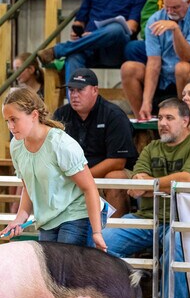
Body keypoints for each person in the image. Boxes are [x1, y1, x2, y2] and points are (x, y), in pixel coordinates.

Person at [0, 86, 107, 298]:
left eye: (15, 120)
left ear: (34, 115)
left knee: (66, 284)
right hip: (49, 218)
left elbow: (89, 188)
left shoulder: (60, 143)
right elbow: (28, 184)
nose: (11, 127)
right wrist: (20, 217)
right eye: (7, 121)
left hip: (78, 214)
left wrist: (96, 231)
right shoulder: (17, 145)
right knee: (50, 285)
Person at [101, 98, 190, 298]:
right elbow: (137, 183)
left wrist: (151, 185)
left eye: (169, 118)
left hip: (182, 220)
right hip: (146, 218)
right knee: (104, 241)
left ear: (185, 121)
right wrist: (154, 184)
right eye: (160, 118)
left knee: (173, 249)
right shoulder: (151, 147)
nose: (162, 123)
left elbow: (188, 180)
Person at [121, 0, 190, 120]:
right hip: (163, 75)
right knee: (128, 68)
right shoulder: (155, 20)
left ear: (188, 2)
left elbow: (187, 56)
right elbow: (153, 62)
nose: (170, 12)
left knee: (182, 68)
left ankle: (184, 120)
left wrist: (175, 29)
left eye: (176, 7)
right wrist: (147, 102)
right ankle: (143, 121)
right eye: (167, 7)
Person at [53, 68, 137, 217]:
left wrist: (82, 178)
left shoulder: (114, 115)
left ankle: (113, 233)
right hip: (73, 173)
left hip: (104, 173)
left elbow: (117, 161)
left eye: (80, 90)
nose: (74, 95)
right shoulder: (61, 115)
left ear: (95, 90)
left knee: (115, 178)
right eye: (71, 90)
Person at [36, 0, 148, 85]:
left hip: (116, 49)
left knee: (117, 28)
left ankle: (58, 50)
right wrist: (76, 32)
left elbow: (131, 26)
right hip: (90, 48)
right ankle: (75, 102)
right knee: (73, 57)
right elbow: (79, 22)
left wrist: (94, 34)